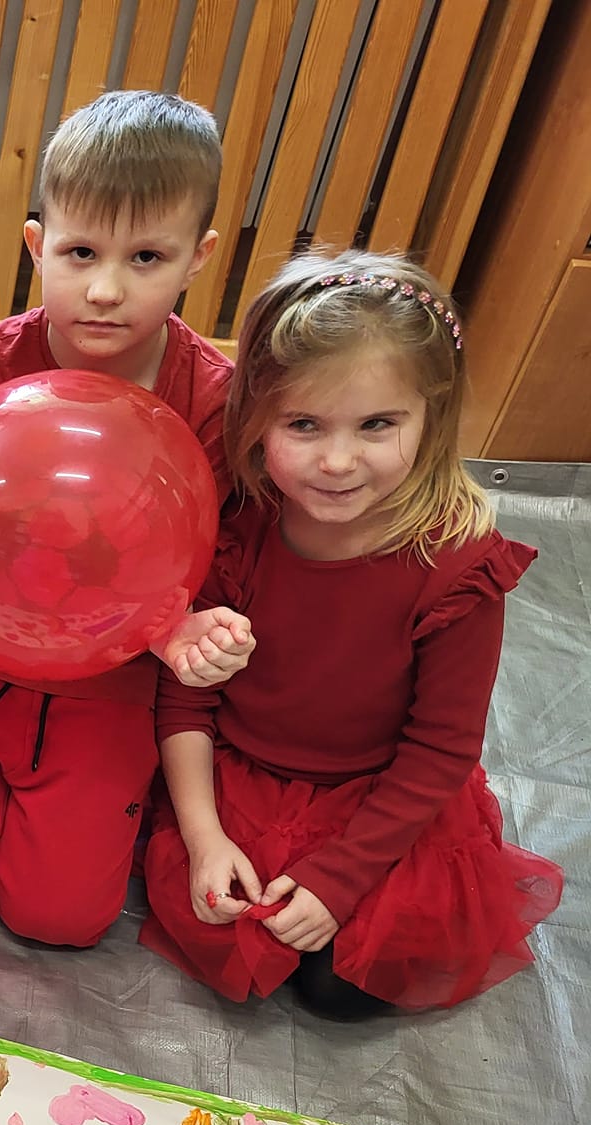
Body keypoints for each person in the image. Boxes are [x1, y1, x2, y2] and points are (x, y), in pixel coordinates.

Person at [0, 91, 254, 946]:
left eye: (147, 257)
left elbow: (191, 570)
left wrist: (186, 631)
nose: (105, 289)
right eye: (80, 253)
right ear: (38, 246)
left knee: (61, 919)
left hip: (111, 677)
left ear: (199, 259)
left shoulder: (213, 405)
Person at [141, 250, 561, 1017]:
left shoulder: (457, 564)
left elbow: (440, 751)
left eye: (377, 425)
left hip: (379, 798)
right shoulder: (237, 525)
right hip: (240, 780)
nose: (338, 461)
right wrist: (204, 839)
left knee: (343, 987)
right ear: (256, 418)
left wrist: (341, 879)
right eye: (303, 424)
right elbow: (185, 697)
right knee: (232, 925)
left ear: (432, 415)